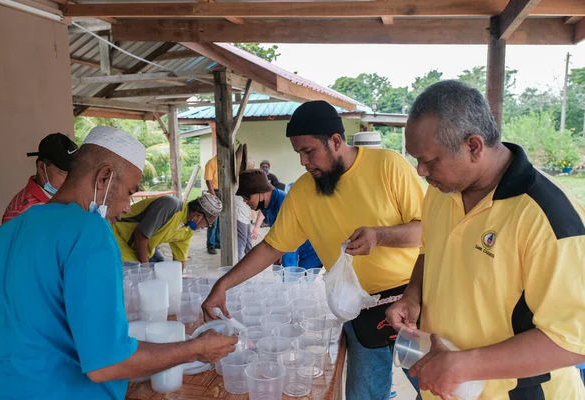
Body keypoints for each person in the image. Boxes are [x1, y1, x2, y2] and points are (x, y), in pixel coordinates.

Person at [0, 126, 237, 400]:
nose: (129, 207)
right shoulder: (89, 231)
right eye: (130, 191)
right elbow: (106, 363)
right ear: (104, 177)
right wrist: (196, 349)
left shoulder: (3, 235)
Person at [203, 100, 425, 399]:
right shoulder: (303, 192)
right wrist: (224, 284)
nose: (304, 162)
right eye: (299, 154)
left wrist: (380, 235)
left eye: (309, 152)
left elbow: (428, 230)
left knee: (435, 387)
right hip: (358, 307)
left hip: (413, 298)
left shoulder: (388, 166)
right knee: (365, 396)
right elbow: (272, 247)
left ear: (336, 141)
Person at [386, 80, 585, 400]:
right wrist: (413, 295)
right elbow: (430, 250)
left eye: (430, 160)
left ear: (474, 146)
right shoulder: (440, 192)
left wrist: (465, 366)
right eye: (415, 160)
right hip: (444, 387)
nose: (420, 172)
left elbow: (574, 341)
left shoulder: (549, 217)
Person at [112, 192, 222, 269]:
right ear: (198, 216)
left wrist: (179, 281)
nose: (206, 227)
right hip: (117, 237)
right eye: (208, 223)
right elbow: (140, 236)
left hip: (142, 248)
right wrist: (146, 271)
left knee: (162, 272)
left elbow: (180, 260)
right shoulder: (170, 206)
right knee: (138, 275)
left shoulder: (188, 229)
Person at [238, 169, 322, 269]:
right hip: (296, 249)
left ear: (261, 192)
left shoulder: (284, 204)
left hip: (311, 253)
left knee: (294, 280)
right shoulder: (265, 205)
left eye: (246, 196)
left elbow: (290, 250)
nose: (244, 201)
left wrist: (288, 277)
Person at [2, 132, 78, 224]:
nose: (70, 180)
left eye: (73, 173)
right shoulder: (21, 213)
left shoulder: (71, 197)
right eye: (63, 173)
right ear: (42, 167)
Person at [204, 155, 220, 254]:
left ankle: (218, 242)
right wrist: (213, 196)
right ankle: (210, 244)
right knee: (213, 220)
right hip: (215, 192)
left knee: (220, 221)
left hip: (223, 191)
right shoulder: (211, 162)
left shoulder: (224, 162)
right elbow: (208, 181)